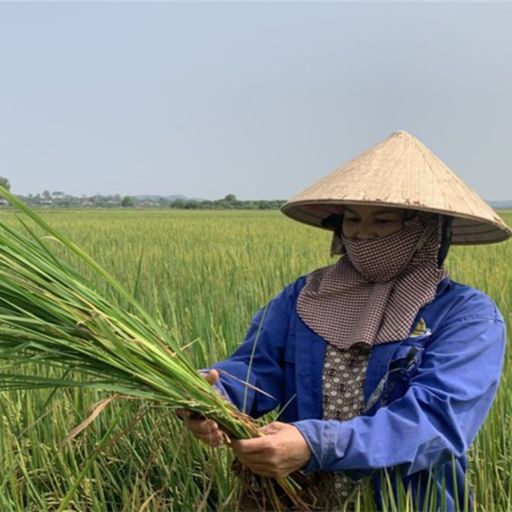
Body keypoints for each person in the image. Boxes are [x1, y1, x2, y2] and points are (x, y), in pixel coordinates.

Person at [180, 131, 510, 511]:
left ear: (426, 229)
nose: (361, 233)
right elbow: (257, 367)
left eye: (383, 221)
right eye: (352, 219)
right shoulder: (305, 295)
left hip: (404, 500)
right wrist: (214, 396)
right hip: (297, 497)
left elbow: (436, 421)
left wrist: (314, 445)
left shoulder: (466, 316)